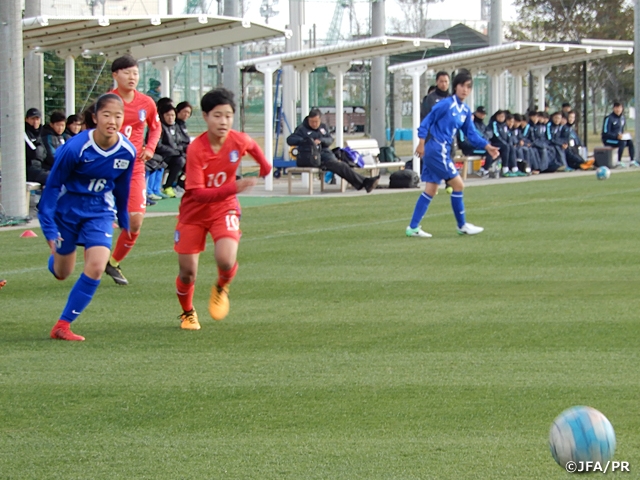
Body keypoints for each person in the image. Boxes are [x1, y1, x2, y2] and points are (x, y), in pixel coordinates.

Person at [37, 94, 136, 341]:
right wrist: (48, 228)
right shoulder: (74, 148)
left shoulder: (127, 151)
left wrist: (124, 218)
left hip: (99, 212)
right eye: (106, 115)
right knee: (62, 273)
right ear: (95, 117)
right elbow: (51, 188)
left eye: (118, 116)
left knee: (96, 266)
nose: (112, 121)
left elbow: (123, 188)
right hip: (67, 212)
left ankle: (62, 325)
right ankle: (57, 256)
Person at [173, 88, 271, 330]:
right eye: (217, 115)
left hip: (224, 209)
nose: (224, 121)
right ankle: (187, 312)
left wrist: (263, 169)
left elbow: (265, 163)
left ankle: (221, 286)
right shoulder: (196, 148)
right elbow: (196, 193)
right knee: (187, 273)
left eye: (228, 116)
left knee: (226, 260)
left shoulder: (240, 140)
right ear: (205, 117)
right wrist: (234, 187)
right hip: (193, 212)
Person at [406, 69, 499, 238]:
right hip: (436, 148)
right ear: (455, 87)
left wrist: (487, 146)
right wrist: (421, 142)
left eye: (468, 87)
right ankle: (462, 225)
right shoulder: (445, 104)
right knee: (458, 185)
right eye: (462, 85)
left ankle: (413, 227)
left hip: (441, 149)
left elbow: (471, 134)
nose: (465, 89)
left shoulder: (464, 111)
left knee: (431, 189)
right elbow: (426, 121)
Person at [105, 54, 161, 286]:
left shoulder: (146, 102)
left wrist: (149, 148)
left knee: (135, 222)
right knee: (96, 219)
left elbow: (156, 128)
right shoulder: (107, 101)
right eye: (127, 72)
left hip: (135, 168)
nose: (132, 77)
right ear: (115, 75)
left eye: (135, 73)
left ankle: (113, 262)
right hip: (106, 167)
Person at [287, 109, 380, 193]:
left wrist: (321, 141)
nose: (314, 124)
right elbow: (290, 140)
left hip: (325, 155)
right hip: (311, 158)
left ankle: (363, 183)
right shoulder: (302, 129)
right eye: (312, 122)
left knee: (343, 164)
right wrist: (307, 140)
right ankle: (365, 183)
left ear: (320, 120)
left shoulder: (323, 128)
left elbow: (329, 140)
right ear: (308, 120)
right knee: (340, 165)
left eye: (316, 122)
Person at [602, 101, 637, 166]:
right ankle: (618, 161)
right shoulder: (609, 118)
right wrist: (616, 136)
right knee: (622, 142)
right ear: (613, 108)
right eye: (616, 108)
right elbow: (605, 133)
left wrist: (624, 136)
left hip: (619, 139)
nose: (618, 110)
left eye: (620, 108)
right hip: (608, 140)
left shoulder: (622, 118)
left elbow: (621, 130)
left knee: (630, 142)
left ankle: (632, 161)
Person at [24, 108, 50, 186]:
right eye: (32, 119)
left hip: (40, 167)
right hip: (28, 169)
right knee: (51, 178)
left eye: (37, 119)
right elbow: (33, 153)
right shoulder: (23, 133)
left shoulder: (41, 133)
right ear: (26, 119)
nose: (35, 122)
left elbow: (45, 154)